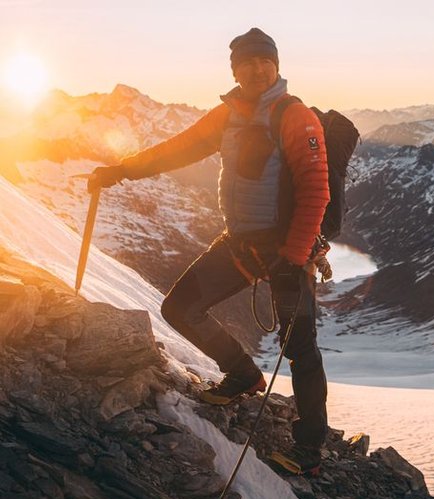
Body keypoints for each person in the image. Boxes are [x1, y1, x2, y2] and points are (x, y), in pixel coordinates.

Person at [88, 27, 329, 475]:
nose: (257, 69)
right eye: (246, 63)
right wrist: (121, 171)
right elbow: (176, 151)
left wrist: (295, 256)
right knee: (180, 307)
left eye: (264, 61)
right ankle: (242, 374)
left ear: (276, 65)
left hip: (287, 250)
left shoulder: (295, 117)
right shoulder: (228, 115)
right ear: (235, 70)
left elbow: (317, 192)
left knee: (300, 350)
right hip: (241, 243)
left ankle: (309, 451)